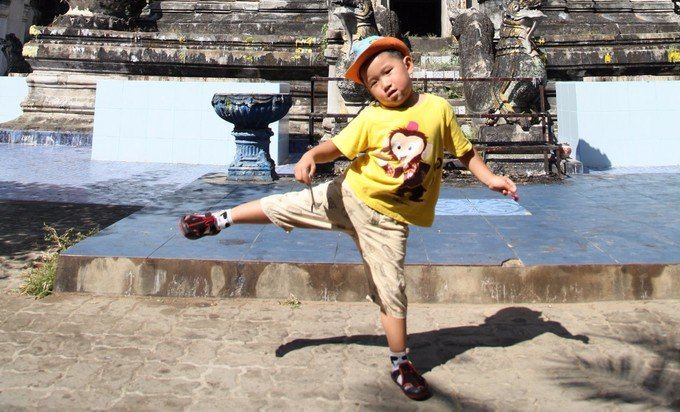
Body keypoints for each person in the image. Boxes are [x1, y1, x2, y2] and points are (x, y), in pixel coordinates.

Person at [179, 36, 518, 401]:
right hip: (349, 196)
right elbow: (336, 147)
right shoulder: (371, 117)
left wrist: (492, 178)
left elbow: (465, 153)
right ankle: (219, 219)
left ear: (409, 64)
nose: (384, 84)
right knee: (285, 205)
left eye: (387, 72)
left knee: (392, 290)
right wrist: (312, 154)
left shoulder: (438, 109)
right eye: (373, 82)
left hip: (389, 223)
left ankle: (400, 362)